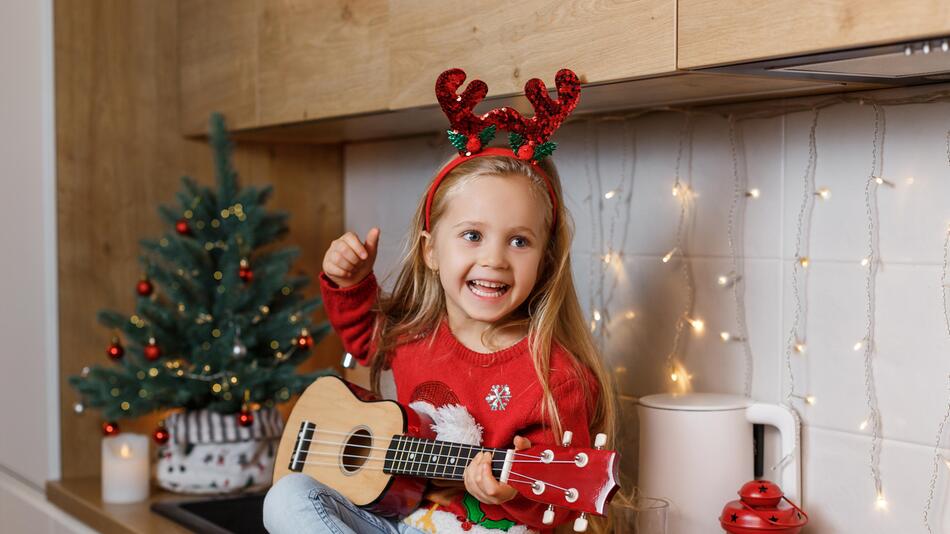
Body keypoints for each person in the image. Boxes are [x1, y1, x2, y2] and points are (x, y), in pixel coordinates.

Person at [263, 68, 617, 534]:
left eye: (519, 242)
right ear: (431, 250)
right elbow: (362, 335)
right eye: (472, 235)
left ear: (545, 262)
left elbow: (561, 504)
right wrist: (347, 281)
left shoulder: (556, 375)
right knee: (286, 497)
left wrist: (511, 492)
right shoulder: (417, 335)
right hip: (402, 521)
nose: (494, 259)